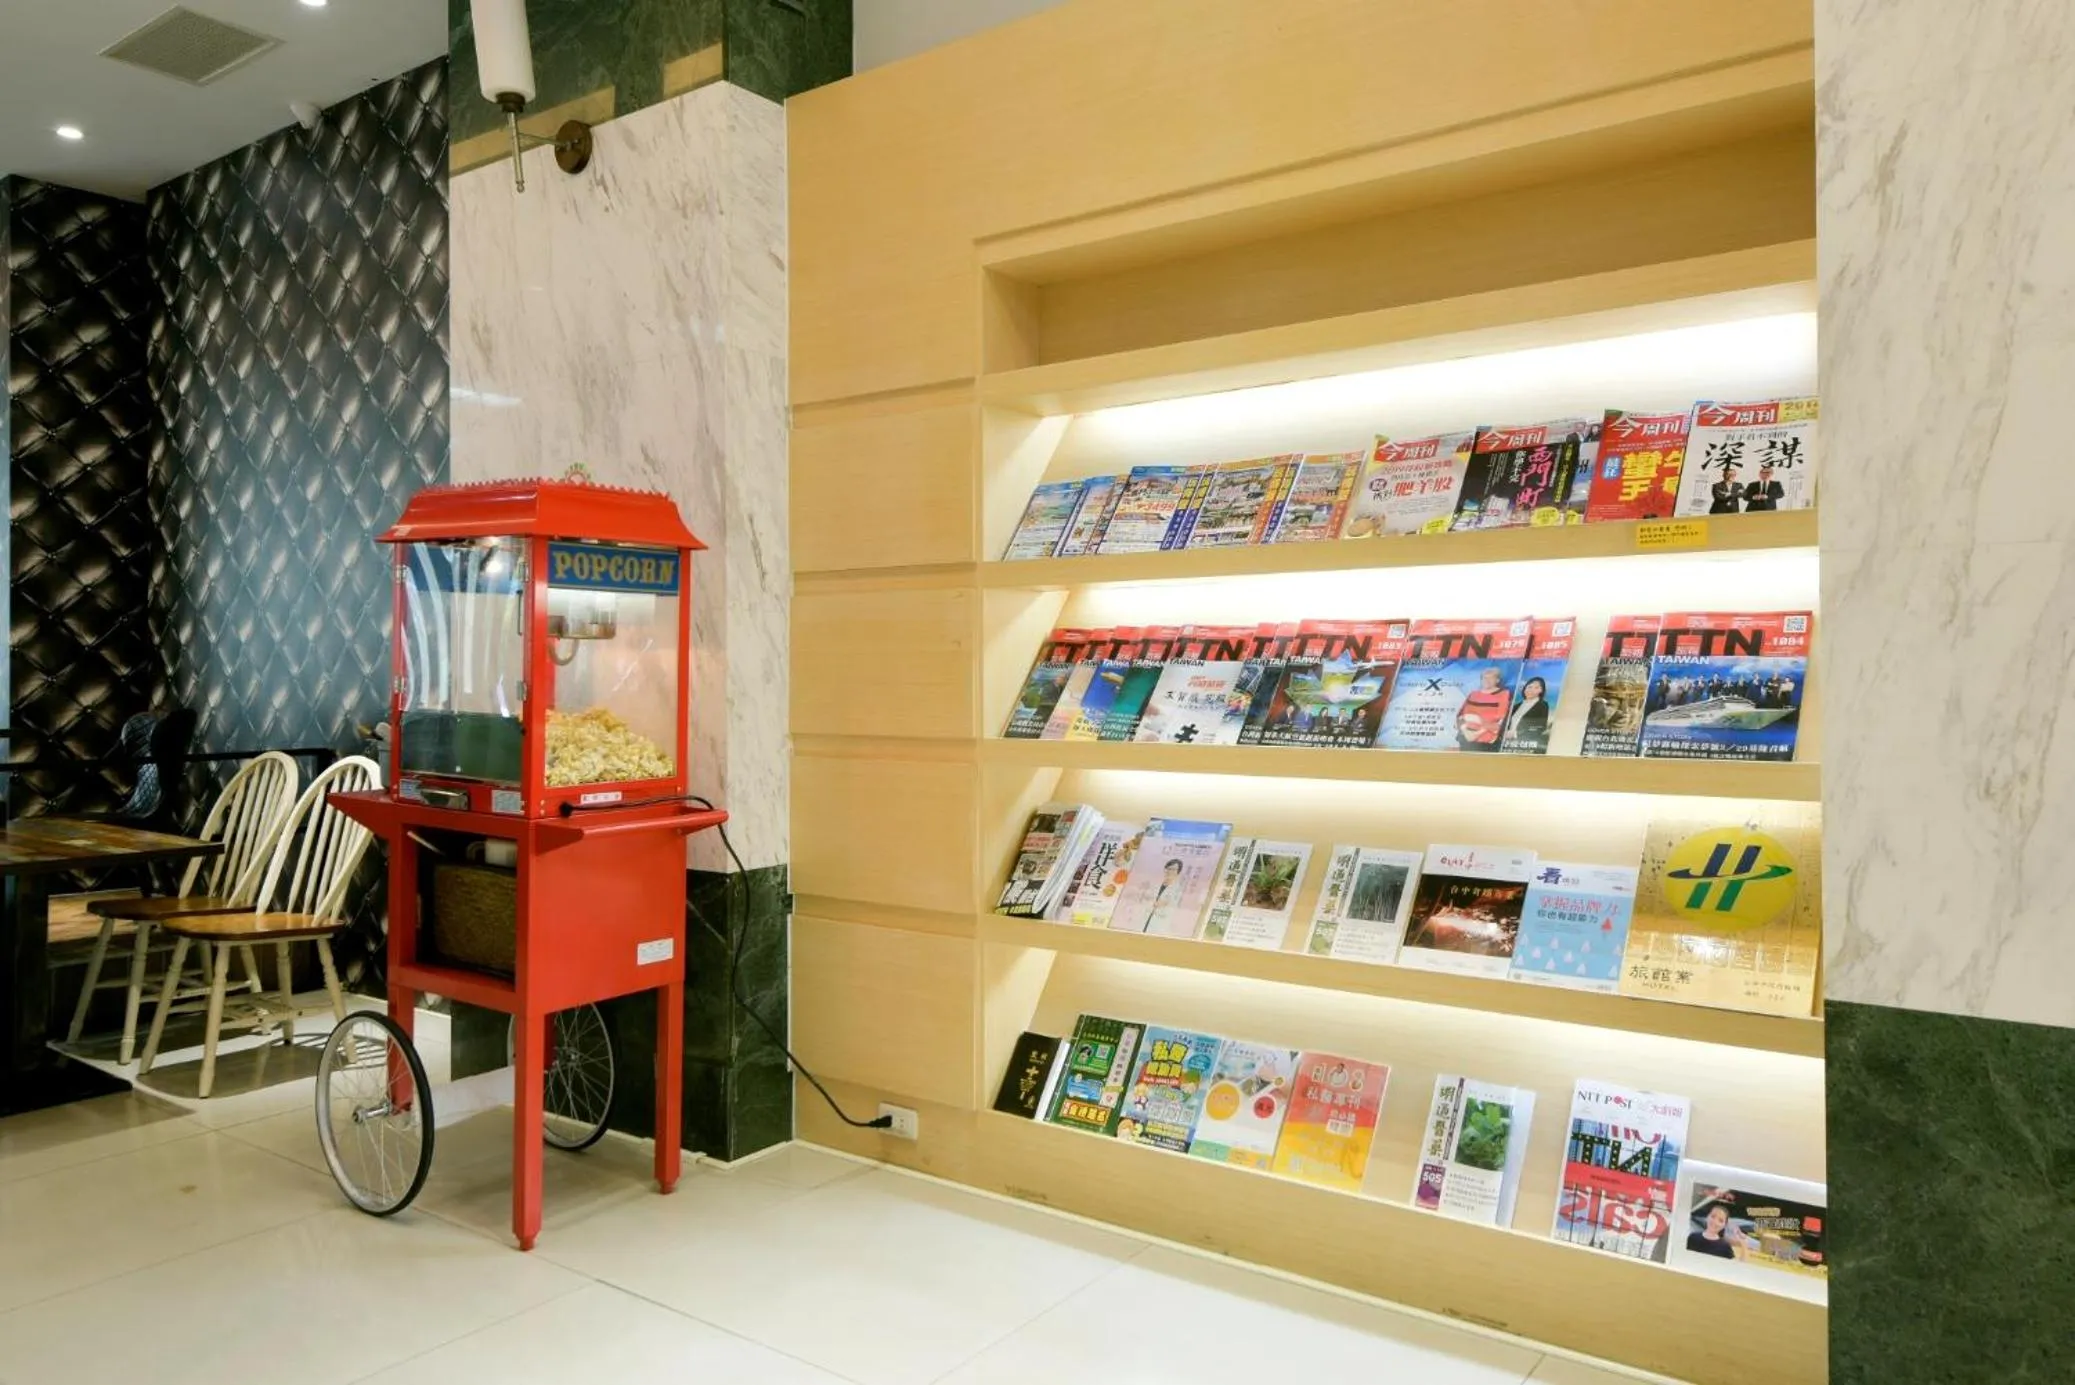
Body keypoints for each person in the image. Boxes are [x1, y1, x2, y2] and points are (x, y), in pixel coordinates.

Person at [1456, 667, 1512, 751]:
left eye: (1491, 678)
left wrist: (1477, 732)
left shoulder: (1504, 694)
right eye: (1484, 677)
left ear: (1497, 680)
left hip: (1488, 740)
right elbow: (1460, 715)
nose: (1487, 680)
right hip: (1466, 737)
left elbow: (1501, 718)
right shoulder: (1473, 694)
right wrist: (1466, 732)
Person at [1502, 675, 1550, 752]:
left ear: (1541, 690)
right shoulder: (1516, 706)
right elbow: (1506, 724)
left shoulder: (1542, 705)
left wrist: (1515, 733)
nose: (1531, 690)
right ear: (1525, 688)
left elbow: (1540, 727)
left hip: (1526, 744)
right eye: (1529, 687)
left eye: (1536, 688)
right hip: (1508, 744)